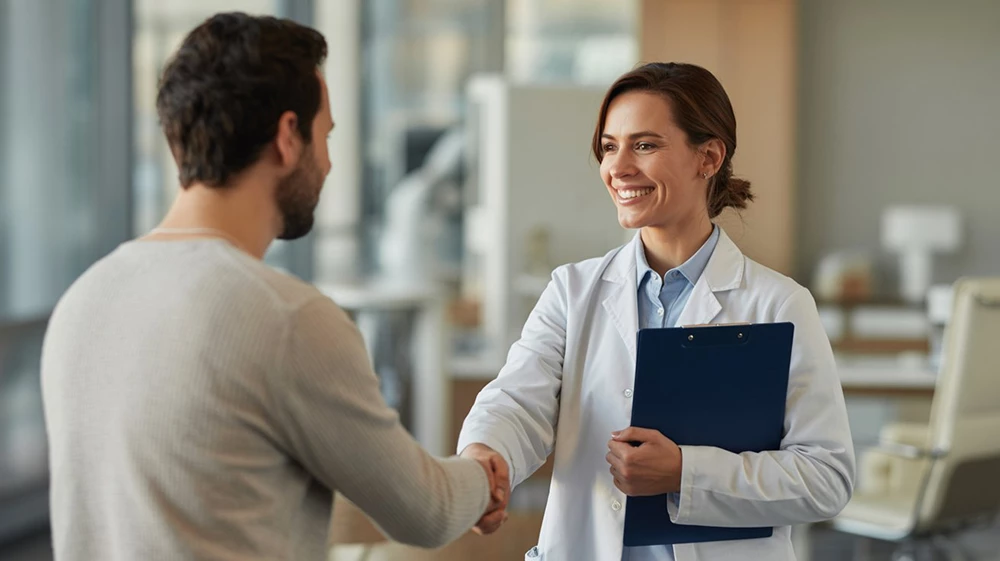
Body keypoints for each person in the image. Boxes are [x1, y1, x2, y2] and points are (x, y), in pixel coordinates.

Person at [41, 12, 507, 561]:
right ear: (289, 137)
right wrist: (483, 475)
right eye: (326, 135)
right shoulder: (286, 319)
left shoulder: (83, 299)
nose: (329, 161)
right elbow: (425, 512)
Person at [458, 62, 856, 561]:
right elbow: (518, 403)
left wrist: (687, 473)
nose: (618, 167)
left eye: (644, 145)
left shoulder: (778, 304)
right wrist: (485, 459)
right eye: (608, 146)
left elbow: (827, 478)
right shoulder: (572, 290)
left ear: (708, 157)